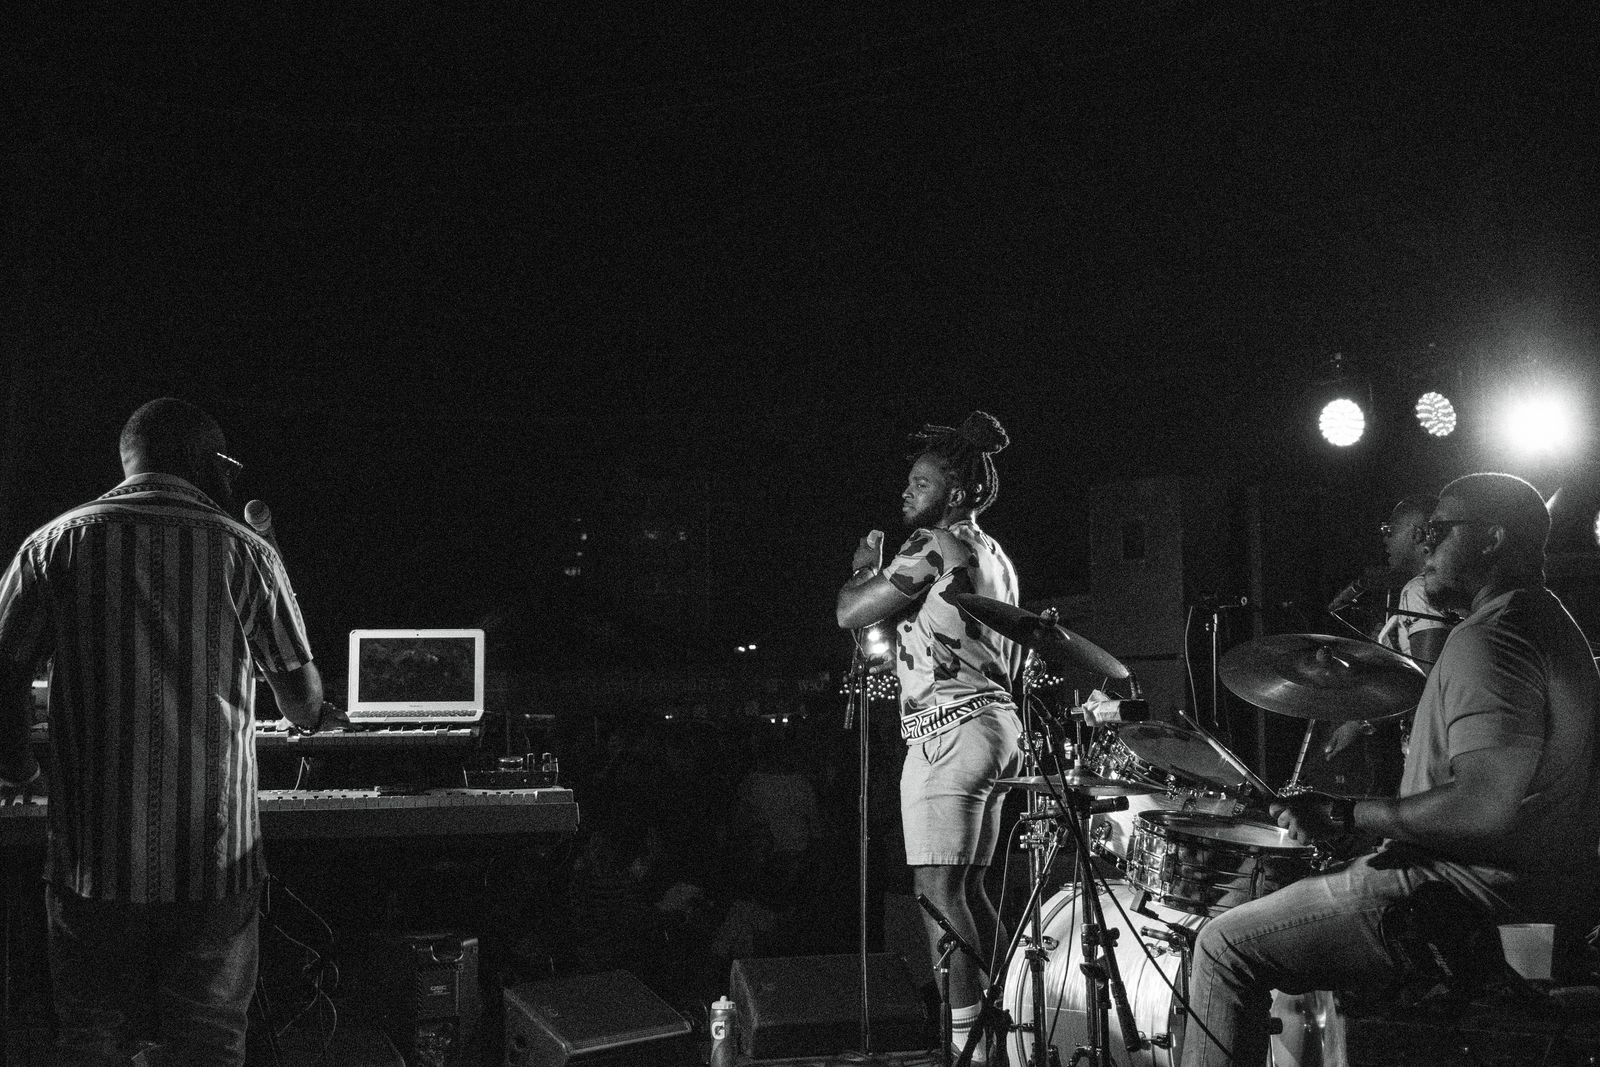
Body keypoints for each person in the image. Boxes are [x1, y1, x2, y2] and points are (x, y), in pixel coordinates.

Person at [1183, 472, 1600, 1067]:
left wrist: (1344, 814)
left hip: (1456, 892)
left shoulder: (1492, 640)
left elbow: (1483, 808)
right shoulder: (1547, 623)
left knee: (1223, 946)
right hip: (1525, 883)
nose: (1424, 544)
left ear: (1492, 538)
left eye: (1439, 530)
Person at [0, 398, 326, 1067]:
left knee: (90, 1039)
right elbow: (302, 706)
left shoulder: (54, 543)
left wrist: (20, 767)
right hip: (213, 861)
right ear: (207, 462)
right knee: (206, 1043)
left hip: (92, 860)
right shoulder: (247, 550)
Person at [836, 411, 1024, 1064]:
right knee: (966, 891)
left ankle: (969, 1045)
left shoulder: (935, 542)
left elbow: (851, 611)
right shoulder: (993, 554)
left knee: (937, 894)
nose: (907, 492)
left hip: (950, 731)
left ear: (957, 492)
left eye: (921, 482)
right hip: (992, 726)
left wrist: (864, 569)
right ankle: (1009, 1026)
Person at [1322, 496, 1456, 766]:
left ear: (1416, 534)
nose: (1385, 540)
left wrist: (1361, 723)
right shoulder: (1444, 588)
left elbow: (1428, 685)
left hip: (1437, 751)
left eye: (1390, 530)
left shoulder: (1417, 590)